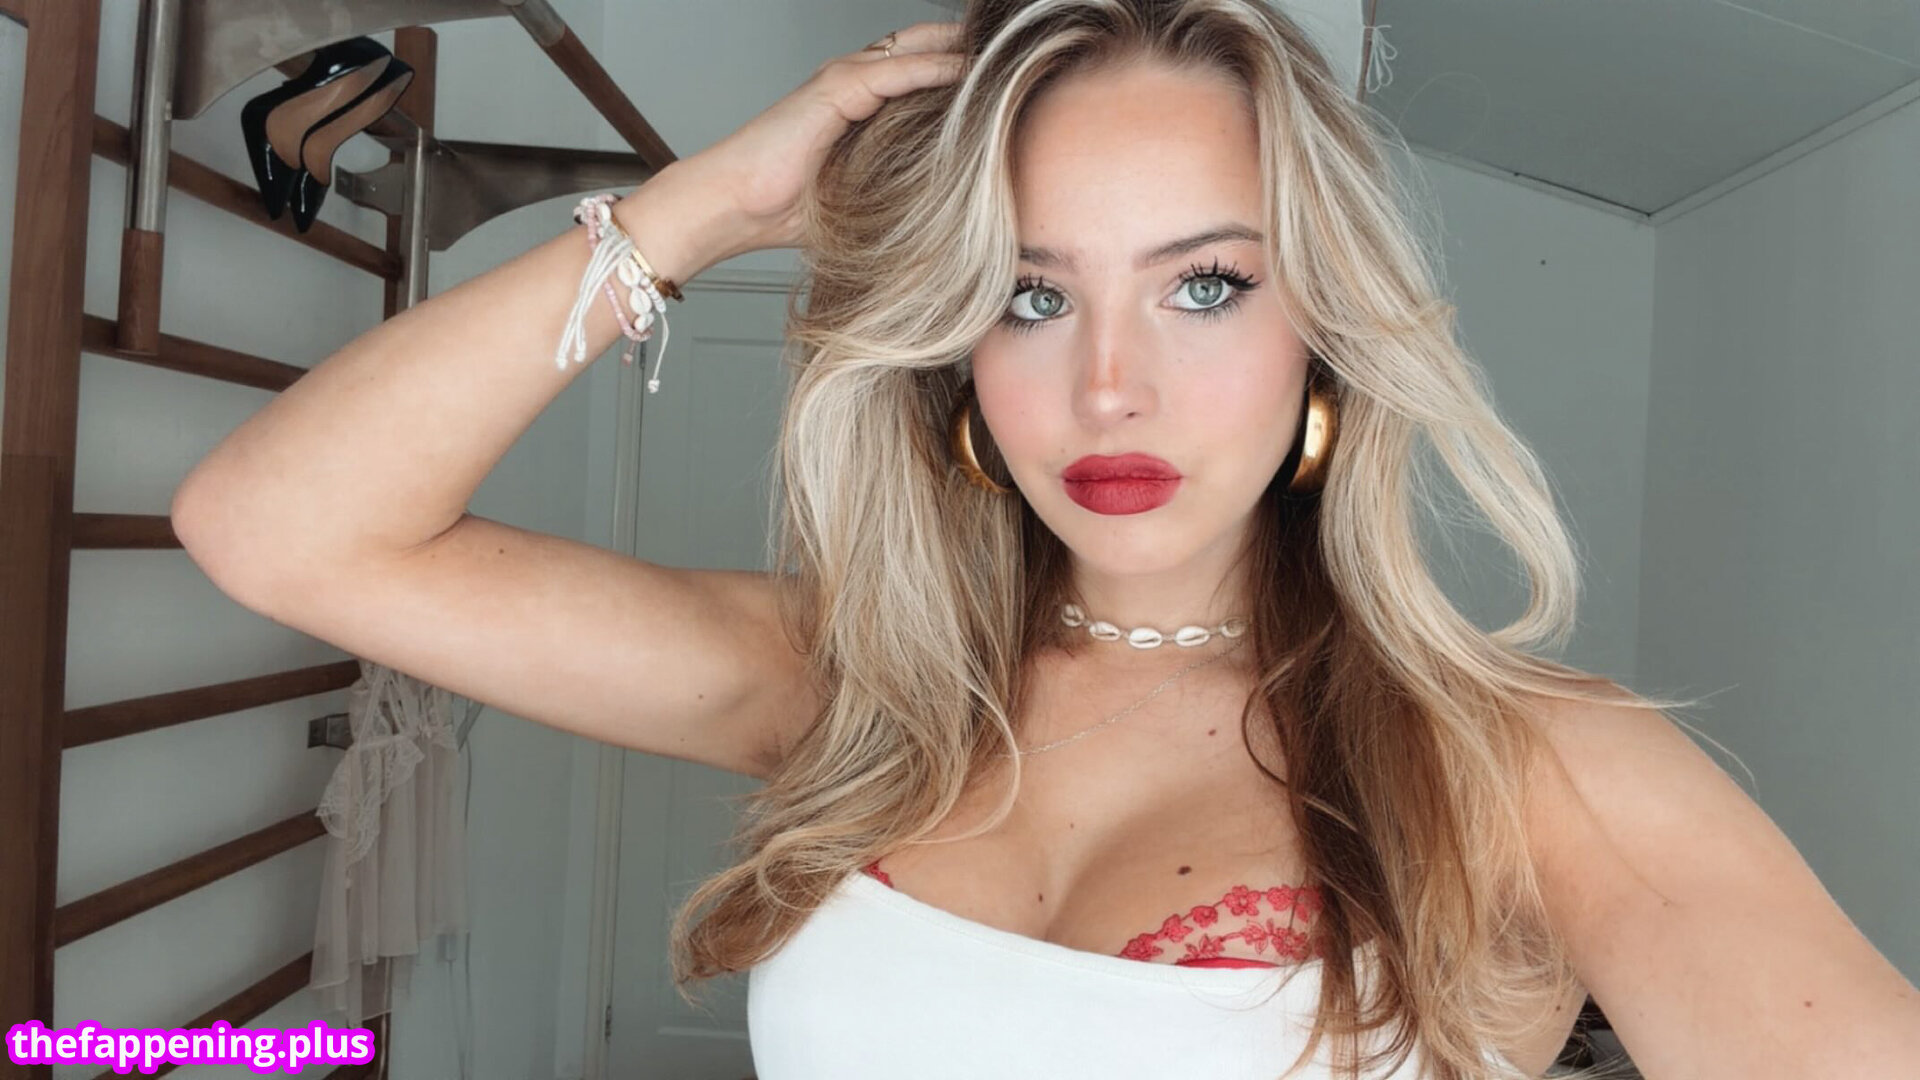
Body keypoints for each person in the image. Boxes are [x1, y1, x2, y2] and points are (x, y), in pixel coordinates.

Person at [172, 3, 1920, 1078]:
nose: (1109, 386)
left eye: (1206, 285)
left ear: (1331, 334)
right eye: (1028, 294)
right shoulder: (859, 681)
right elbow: (276, 530)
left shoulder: (1535, 769)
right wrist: (708, 207)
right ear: (955, 353)